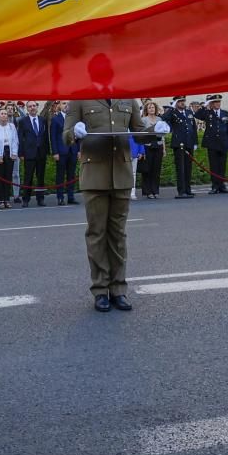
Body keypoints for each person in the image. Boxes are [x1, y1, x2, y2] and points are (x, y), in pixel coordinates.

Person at [67, 83, 162, 312]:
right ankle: (100, 289)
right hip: (95, 175)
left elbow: (138, 132)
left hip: (121, 173)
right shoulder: (80, 97)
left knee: (118, 235)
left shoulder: (128, 98)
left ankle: (118, 289)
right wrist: (74, 132)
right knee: (97, 234)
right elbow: (66, 134)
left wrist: (155, 132)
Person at [195, 95, 228, 193]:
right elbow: (197, 115)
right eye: (215, 102)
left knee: (222, 165)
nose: (217, 104)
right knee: (213, 166)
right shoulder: (207, 113)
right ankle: (214, 185)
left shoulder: (225, 113)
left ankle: (222, 185)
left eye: (218, 102)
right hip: (212, 143)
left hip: (223, 142)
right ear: (212, 104)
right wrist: (205, 105)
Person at [16, 100, 52, 207]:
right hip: (29, 153)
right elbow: (20, 137)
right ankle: (26, 199)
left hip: (41, 153)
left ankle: (40, 199)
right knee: (28, 177)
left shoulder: (42, 120)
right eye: (30, 106)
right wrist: (21, 153)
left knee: (40, 177)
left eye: (34, 106)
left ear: (37, 107)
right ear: (27, 108)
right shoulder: (23, 121)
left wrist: (47, 151)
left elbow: (45, 136)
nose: (32, 108)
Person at [163, 96, 199, 199]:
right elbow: (163, 118)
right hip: (179, 144)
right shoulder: (173, 113)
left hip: (189, 143)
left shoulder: (189, 112)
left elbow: (193, 128)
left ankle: (188, 189)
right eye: (180, 101)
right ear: (176, 103)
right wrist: (171, 108)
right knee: (181, 168)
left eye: (183, 101)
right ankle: (181, 191)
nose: (183, 103)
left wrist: (195, 142)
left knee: (188, 168)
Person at [0, 107, 17, 209]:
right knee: (0, 177)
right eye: (2, 114)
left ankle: (7, 199)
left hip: (9, 153)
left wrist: (14, 153)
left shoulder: (12, 126)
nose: (4, 115)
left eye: (5, 113)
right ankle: (0, 200)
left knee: (8, 177)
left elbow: (15, 140)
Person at [137, 100, 165, 199]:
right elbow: (141, 135)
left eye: (153, 107)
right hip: (147, 146)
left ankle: (155, 190)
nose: (151, 109)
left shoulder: (159, 119)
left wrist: (164, 148)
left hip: (158, 145)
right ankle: (147, 191)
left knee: (156, 169)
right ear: (146, 110)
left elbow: (163, 135)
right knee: (147, 169)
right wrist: (142, 150)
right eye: (149, 108)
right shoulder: (143, 120)